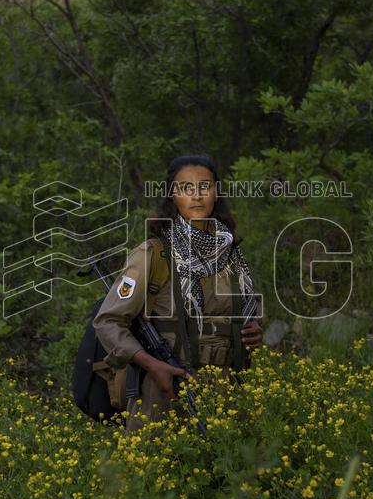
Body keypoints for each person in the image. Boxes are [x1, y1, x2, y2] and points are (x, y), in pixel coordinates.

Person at [93, 154, 264, 434]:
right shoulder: (153, 254)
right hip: (164, 387)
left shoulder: (231, 254)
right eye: (185, 188)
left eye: (204, 186)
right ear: (172, 195)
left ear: (216, 193)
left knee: (225, 471)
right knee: (157, 473)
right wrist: (151, 364)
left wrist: (256, 326)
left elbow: (249, 305)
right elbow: (107, 321)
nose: (196, 196)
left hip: (227, 389)